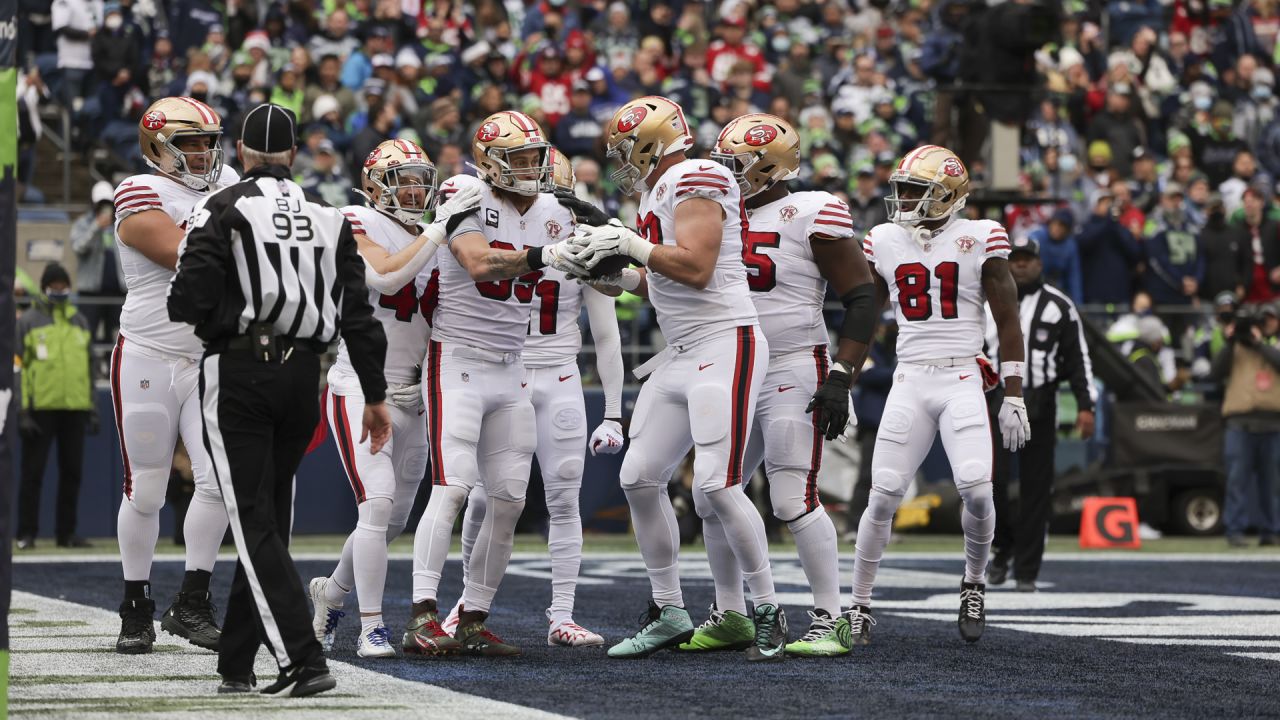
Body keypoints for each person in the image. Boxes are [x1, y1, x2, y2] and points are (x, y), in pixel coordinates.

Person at [167, 103, 391, 698]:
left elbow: (185, 299)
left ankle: (303, 657)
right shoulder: (329, 214)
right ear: (293, 155)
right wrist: (374, 394)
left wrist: (229, 324)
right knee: (266, 518)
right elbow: (359, 317)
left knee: (251, 519)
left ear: (240, 151)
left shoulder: (223, 205)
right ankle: (236, 665)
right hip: (306, 379)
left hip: (241, 368)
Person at [567, 95, 785, 661]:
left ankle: (765, 608)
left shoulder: (695, 174)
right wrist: (615, 277)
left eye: (624, 148)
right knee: (639, 477)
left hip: (725, 341)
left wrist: (631, 245)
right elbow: (663, 280)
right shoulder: (659, 187)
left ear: (652, 141)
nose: (621, 159)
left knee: (714, 483)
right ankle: (669, 609)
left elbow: (696, 267)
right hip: (683, 350)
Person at [679, 113, 874, 658]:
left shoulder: (811, 210)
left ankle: (832, 618)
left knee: (792, 497)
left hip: (791, 364)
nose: (727, 174)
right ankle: (731, 613)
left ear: (772, 166)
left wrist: (842, 373)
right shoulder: (710, 211)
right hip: (732, 362)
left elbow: (861, 296)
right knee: (709, 491)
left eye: (737, 165)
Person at [407, 110, 583, 658]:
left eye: (535, 156)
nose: (531, 167)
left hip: (513, 364)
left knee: (508, 498)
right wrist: (543, 256)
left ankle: (473, 617)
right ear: (489, 162)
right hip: (457, 356)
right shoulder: (464, 190)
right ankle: (422, 614)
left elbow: (593, 273)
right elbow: (478, 262)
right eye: (519, 158)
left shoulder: (557, 208)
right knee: (454, 486)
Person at [446, 146, 626, 648]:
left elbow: (607, 331)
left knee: (565, 494)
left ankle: (562, 614)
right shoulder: (491, 231)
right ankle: (467, 606)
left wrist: (613, 412)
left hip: (560, 373)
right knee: (486, 496)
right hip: (506, 370)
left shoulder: (581, 234)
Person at [307, 138, 479, 659]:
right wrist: (438, 229)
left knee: (393, 519)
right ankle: (372, 626)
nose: (412, 190)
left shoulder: (440, 238)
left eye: (418, 181)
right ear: (375, 185)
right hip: (361, 385)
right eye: (401, 180)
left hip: (419, 393)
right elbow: (384, 274)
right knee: (376, 504)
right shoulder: (353, 218)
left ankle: (331, 593)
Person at [851, 145, 1028, 645]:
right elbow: (864, 315)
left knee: (975, 486)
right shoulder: (884, 239)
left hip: (961, 378)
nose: (903, 200)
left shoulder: (980, 238)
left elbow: (1008, 321)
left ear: (947, 195)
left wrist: (1013, 393)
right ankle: (859, 605)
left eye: (915, 191)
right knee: (883, 493)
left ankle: (974, 582)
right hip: (909, 376)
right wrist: (842, 378)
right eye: (902, 189)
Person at [110, 96, 237, 655]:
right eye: (189, 142)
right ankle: (135, 603)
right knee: (147, 489)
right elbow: (180, 252)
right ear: (157, 145)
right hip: (148, 354)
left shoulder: (229, 179)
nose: (203, 152)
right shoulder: (138, 190)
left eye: (208, 141)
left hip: (208, 355)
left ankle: (192, 600)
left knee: (218, 483)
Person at [985, 236, 1096, 592]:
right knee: (991, 481)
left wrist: (1085, 404)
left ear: (1039, 263)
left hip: (1040, 401)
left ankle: (1027, 569)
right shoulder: (986, 300)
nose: (1020, 264)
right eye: (1014, 258)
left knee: (1036, 487)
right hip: (995, 396)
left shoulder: (1059, 306)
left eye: (1026, 259)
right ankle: (1001, 549)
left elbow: (1078, 358)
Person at [16, 263, 94, 551]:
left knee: (72, 473)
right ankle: (26, 533)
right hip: (41, 409)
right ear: (46, 286)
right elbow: (18, 366)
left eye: (64, 286)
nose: (60, 291)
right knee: (32, 473)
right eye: (55, 286)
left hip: (74, 408)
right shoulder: (28, 322)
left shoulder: (80, 322)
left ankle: (66, 533)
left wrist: (92, 408)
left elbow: (89, 365)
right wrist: (22, 411)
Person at [1212, 304, 1280, 547]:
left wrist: (1260, 344)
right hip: (1239, 423)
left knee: (1271, 484)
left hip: (1273, 424)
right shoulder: (1236, 349)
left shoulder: (1274, 346)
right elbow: (1215, 372)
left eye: (1270, 319)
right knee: (1236, 480)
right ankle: (1235, 530)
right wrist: (1231, 341)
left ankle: (1270, 530)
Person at [70, 180, 124, 342]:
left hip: (117, 293)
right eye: (101, 204)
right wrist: (96, 226)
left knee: (116, 338)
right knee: (87, 337)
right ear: (93, 204)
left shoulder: (121, 224)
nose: (105, 208)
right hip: (90, 294)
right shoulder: (82, 224)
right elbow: (79, 247)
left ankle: (111, 367)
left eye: (108, 204)